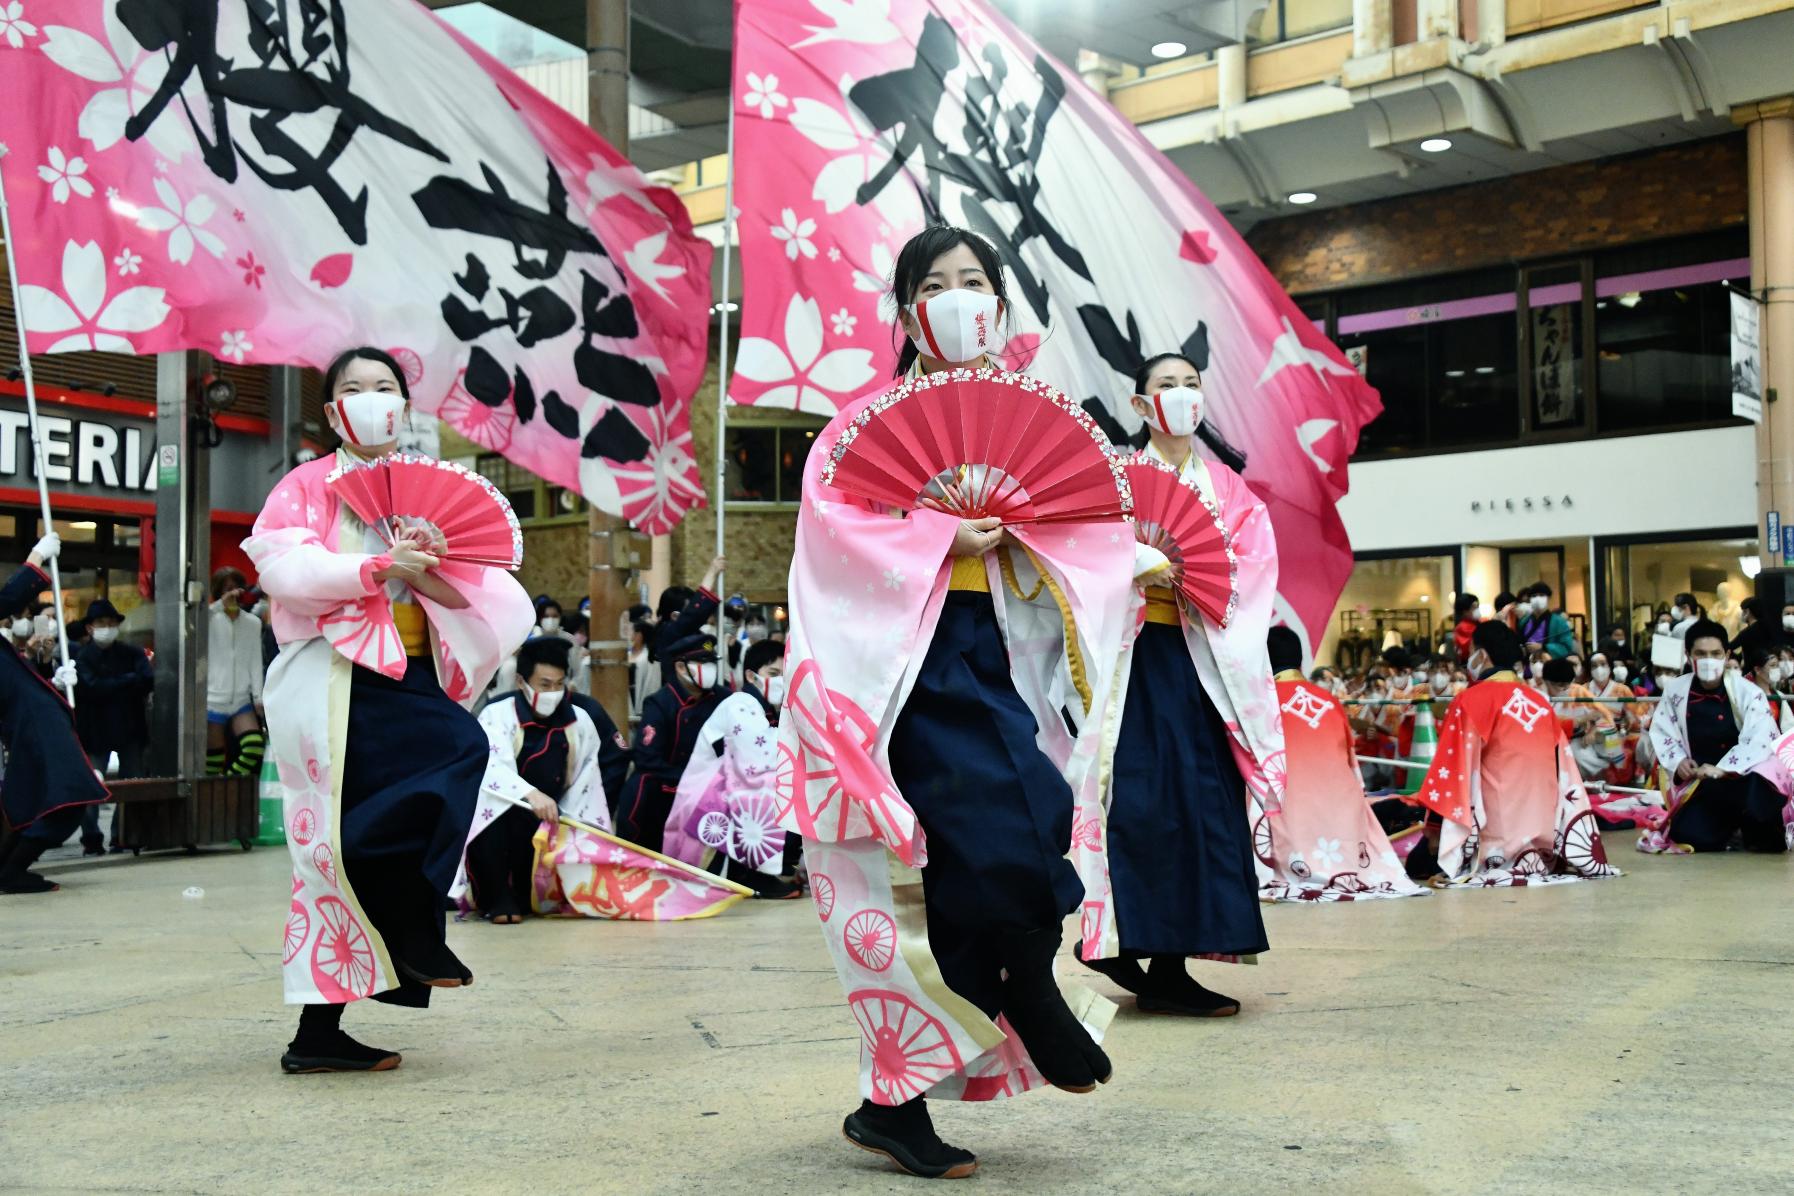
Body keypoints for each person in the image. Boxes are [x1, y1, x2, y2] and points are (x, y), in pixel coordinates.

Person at [783, 225, 1134, 1179]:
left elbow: (1085, 535)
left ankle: (890, 1102)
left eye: (974, 281)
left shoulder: (1027, 417)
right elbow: (836, 544)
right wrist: (946, 538)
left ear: (1000, 305)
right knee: (986, 839)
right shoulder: (860, 430)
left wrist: (1033, 544)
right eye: (933, 285)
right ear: (904, 313)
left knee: (1017, 829)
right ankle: (1027, 989)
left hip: (998, 654)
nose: (956, 298)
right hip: (907, 665)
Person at [246, 346, 532, 1074]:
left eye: (385, 387)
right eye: (354, 388)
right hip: (333, 675)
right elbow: (284, 569)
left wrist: (429, 569)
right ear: (331, 409)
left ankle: (324, 1028)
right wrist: (373, 566)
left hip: (403, 674)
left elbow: (494, 602)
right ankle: (406, 931)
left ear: (404, 406)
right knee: (346, 840)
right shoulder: (306, 486)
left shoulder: (420, 495)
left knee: (423, 778)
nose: (371, 399)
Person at [1079, 350, 1283, 1017]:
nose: (1181, 395)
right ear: (1140, 405)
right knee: (1137, 800)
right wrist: (1139, 560)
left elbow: (1250, 574)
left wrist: (1198, 579)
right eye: (1166, 385)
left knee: (1203, 805)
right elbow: (1080, 548)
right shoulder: (1115, 477)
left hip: (1203, 662)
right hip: (1134, 659)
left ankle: (1168, 962)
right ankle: (1115, 937)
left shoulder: (1229, 492)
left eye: (1191, 384)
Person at [1410, 621, 1617, 885]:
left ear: (1482, 655)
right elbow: (1566, 774)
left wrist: (1435, 830)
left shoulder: (1469, 700)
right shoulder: (1539, 701)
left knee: (1418, 862)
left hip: (1495, 838)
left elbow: (1451, 770)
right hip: (1545, 839)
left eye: (1471, 651)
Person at [459, 638, 624, 922]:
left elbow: (587, 779)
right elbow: (490, 766)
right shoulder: (497, 714)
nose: (553, 693)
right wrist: (528, 793)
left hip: (552, 817)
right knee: (487, 810)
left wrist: (566, 815)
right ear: (522, 681)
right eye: (544, 684)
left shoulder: (579, 719)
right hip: (504, 811)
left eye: (559, 684)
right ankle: (496, 897)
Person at [1264, 627, 1421, 901]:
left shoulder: (1261, 703)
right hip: (1343, 818)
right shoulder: (1330, 701)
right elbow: (1351, 765)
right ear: (1301, 662)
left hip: (1294, 818)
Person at [0, 535, 107, 893]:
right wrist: (36, 556)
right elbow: (8, 597)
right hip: (30, 722)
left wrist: (47, 670)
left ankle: (7, 870)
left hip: (29, 718)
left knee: (38, 797)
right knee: (67, 796)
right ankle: (12, 871)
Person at [1641, 620, 1789, 854]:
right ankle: (1728, 830)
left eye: (1715, 653)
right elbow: (1662, 731)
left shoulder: (1748, 691)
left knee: (1765, 826)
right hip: (1702, 783)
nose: (1708, 659)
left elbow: (1761, 738)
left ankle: (1749, 827)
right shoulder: (1675, 690)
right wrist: (1679, 762)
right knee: (1688, 835)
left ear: (1727, 654)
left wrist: (1722, 769)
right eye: (1700, 653)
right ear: (1688, 655)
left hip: (1744, 778)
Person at [616, 633, 730, 851]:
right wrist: (690, 781)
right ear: (680, 667)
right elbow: (647, 758)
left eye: (711, 663)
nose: (709, 669)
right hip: (665, 793)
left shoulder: (726, 699)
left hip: (713, 795)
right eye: (701, 663)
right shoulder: (660, 703)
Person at [73, 597, 153, 854]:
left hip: (130, 728)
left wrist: (110, 684)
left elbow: (147, 680)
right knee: (90, 785)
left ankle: (123, 835)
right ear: (89, 627)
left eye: (110, 622)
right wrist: (127, 681)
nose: (106, 627)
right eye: (101, 623)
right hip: (95, 730)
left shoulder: (132, 652)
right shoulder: (82, 657)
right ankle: (92, 839)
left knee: (133, 783)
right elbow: (91, 687)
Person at [205, 568, 266, 776]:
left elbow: (255, 662)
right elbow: (194, 620)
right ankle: (213, 797)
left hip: (241, 698)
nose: (232, 594)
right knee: (212, 758)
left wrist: (258, 696)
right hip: (213, 698)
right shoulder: (211, 620)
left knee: (254, 747)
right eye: (226, 589)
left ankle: (230, 781)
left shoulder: (253, 623)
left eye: (236, 588)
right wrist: (220, 604)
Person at [651, 557, 726, 689]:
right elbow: (693, 615)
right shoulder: (667, 633)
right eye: (688, 609)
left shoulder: (694, 633)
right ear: (675, 616)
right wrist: (712, 572)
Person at [1519, 583, 1576, 660]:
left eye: (1542, 595)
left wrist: (1543, 647)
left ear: (1549, 598)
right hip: (1526, 665)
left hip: (1550, 665)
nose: (1538, 598)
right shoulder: (1524, 621)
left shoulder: (1559, 622)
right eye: (1534, 596)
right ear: (1530, 599)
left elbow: (1566, 647)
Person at [1451, 593, 1481, 663]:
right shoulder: (1462, 628)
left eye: (1478, 606)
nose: (1477, 610)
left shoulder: (1478, 623)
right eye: (1474, 607)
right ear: (1464, 611)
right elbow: (1469, 648)